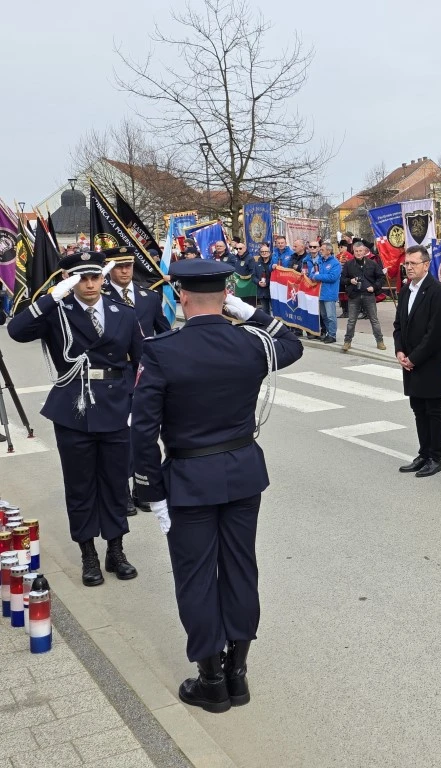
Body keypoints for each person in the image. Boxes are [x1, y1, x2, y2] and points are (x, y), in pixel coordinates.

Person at [131, 259, 302, 713]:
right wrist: (251, 313)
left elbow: (142, 431)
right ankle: (238, 674)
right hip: (243, 473)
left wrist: (150, 492)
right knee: (241, 568)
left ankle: (211, 681)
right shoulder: (251, 344)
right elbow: (292, 343)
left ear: (182, 297)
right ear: (226, 297)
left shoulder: (162, 350)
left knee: (197, 578)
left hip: (189, 481)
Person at [8, 250, 143, 586]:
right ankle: (88, 554)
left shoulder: (123, 313)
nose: (90, 284)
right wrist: (52, 297)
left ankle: (115, 549)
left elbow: (142, 362)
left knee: (115, 482)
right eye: (82, 278)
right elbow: (16, 330)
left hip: (115, 406)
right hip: (73, 407)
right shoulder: (57, 312)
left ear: (102, 277)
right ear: (69, 280)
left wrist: (133, 401)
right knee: (80, 485)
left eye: (95, 277)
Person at [101, 247, 172, 514]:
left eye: (128, 265)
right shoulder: (102, 297)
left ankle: (142, 487)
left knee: (144, 434)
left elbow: (164, 332)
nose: (124, 270)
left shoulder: (149, 297)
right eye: (119, 266)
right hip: (116, 375)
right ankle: (121, 492)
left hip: (146, 375)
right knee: (120, 436)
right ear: (110, 269)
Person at [394, 245, 441, 478]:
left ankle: (435, 457)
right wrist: (399, 351)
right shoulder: (406, 290)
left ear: (426, 265)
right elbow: (398, 325)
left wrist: (414, 358)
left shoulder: (437, 292)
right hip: (409, 361)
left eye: (413, 263)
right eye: (406, 263)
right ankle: (423, 453)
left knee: (432, 410)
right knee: (418, 409)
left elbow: (435, 333)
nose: (409, 267)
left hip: (430, 362)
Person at [341, 239, 386, 352]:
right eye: (356, 251)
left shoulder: (372, 263)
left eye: (360, 251)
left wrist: (374, 287)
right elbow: (342, 279)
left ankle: (380, 341)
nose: (358, 253)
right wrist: (350, 281)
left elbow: (381, 278)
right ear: (353, 251)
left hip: (368, 295)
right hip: (354, 295)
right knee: (351, 320)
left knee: (374, 320)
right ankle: (347, 341)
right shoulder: (348, 264)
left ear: (364, 251)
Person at [307, 242, 341, 343]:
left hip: (329, 293)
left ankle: (332, 335)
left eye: (322, 250)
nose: (320, 251)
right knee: (324, 315)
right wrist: (314, 276)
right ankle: (328, 333)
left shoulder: (335, 263)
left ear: (329, 251)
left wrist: (317, 277)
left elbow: (332, 277)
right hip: (319, 293)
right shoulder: (319, 262)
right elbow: (311, 273)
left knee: (331, 316)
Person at [253, 244, 273, 314]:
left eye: (266, 251)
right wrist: (258, 282)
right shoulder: (256, 264)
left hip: (272, 291)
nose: (264, 253)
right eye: (262, 252)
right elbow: (253, 277)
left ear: (269, 252)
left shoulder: (273, 263)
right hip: (262, 292)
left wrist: (266, 283)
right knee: (265, 311)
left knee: (275, 311)